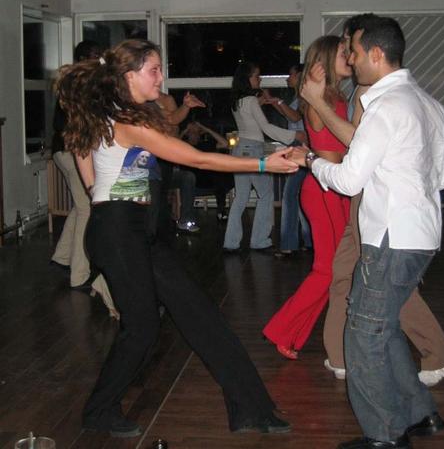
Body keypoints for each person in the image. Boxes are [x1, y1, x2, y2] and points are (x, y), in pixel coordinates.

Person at [57, 39, 298, 438]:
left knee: (200, 313)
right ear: (128, 75)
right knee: (142, 328)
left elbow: (90, 176)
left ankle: (251, 408)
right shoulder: (125, 123)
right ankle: (99, 411)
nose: (161, 78)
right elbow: (195, 158)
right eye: (153, 70)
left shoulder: (111, 114)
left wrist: (109, 194)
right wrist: (261, 164)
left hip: (133, 228)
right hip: (118, 232)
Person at [293, 15, 444, 449]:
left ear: (376, 54)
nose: (352, 59)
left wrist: (310, 161)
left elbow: (347, 180)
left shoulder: (385, 105)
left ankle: (385, 435)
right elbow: (443, 174)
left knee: (363, 337)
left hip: (390, 237)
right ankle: (420, 415)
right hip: (420, 233)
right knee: (383, 328)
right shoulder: (427, 102)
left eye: (356, 52)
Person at [263, 36, 351, 359]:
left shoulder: (335, 96)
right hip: (325, 189)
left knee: (335, 269)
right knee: (328, 269)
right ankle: (282, 330)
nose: (349, 56)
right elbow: (329, 155)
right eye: (343, 52)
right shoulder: (320, 100)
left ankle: (292, 335)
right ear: (325, 61)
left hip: (334, 188)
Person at [223, 62, 304, 252]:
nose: (259, 79)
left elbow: (249, 118)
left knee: (241, 196)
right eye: (256, 76)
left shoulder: (238, 101)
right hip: (252, 150)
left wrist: (262, 102)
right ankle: (259, 241)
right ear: (247, 78)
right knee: (266, 193)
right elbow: (265, 127)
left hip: (240, 149)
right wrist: (294, 135)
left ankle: (230, 242)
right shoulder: (251, 100)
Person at [50, 40, 101, 290]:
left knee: (80, 206)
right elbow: (66, 124)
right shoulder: (78, 84)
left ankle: (61, 257)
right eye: (96, 56)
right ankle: (79, 276)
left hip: (65, 151)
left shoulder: (77, 81)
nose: (100, 61)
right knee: (86, 209)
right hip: (70, 151)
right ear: (83, 59)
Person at [264, 64, 312, 255]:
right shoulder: (299, 96)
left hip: (302, 148)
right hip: (300, 148)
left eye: (291, 75)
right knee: (298, 195)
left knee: (290, 195)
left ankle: (289, 244)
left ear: (300, 76)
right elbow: (289, 114)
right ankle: (308, 241)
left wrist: (278, 102)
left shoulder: (304, 96)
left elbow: (294, 117)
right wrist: (274, 102)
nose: (287, 78)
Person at [155, 91, 205, 233]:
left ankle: (184, 220)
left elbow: (173, 121)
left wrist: (185, 106)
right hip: (145, 165)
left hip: (165, 164)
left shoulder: (166, 99)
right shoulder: (140, 101)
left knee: (187, 177)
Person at [180, 120, 234, 220]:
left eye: (197, 132)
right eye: (191, 132)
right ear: (187, 133)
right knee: (219, 178)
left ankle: (221, 210)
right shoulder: (183, 146)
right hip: (193, 179)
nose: (195, 134)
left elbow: (225, 144)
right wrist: (185, 130)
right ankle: (221, 210)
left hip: (209, 178)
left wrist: (207, 129)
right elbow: (172, 144)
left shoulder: (206, 144)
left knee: (220, 175)